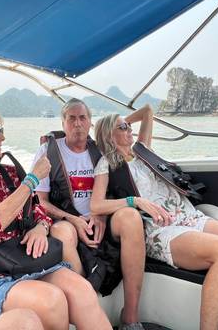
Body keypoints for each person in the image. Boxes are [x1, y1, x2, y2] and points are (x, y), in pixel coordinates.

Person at [0, 99, 111, 330]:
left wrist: (40, 228)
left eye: (1, 131)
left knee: (82, 290)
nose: (2, 138)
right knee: (51, 301)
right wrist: (32, 179)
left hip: (24, 265)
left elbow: (39, 212)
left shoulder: (11, 175)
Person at [91, 104, 218, 330]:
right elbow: (96, 205)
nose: (129, 129)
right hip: (161, 229)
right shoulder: (107, 163)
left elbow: (147, 111)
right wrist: (135, 201)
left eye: (129, 126)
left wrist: (122, 121)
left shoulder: (142, 151)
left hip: (188, 216)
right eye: (123, 128)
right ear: (109, 135)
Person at [32, 98, 147, 329]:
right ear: (63, 122)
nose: (77, 123)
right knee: (62, 233)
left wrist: (101, 215)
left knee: (131, 217)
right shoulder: (48, 151)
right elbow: (40, 201)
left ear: (90, 122)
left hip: (100, 217)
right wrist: (74, 220)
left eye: (82, 118)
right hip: (67, 219)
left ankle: (131, 317)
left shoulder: (101, 149)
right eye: (71, 118)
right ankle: (88, 304)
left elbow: (114, 185)